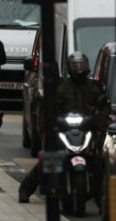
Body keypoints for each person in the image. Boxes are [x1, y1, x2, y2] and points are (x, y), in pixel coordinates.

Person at [18, 51, 104, 203]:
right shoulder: (62, 87)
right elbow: (49, 107)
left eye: (82, 65)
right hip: (65, 129)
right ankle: (25, 189)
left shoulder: (93, 87)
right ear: (69, 68)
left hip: (86, 129)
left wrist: (97, 119)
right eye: (75, 66)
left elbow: (102, 105)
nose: (79, 69)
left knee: (98, 162)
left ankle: (101, 197)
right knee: (51, 159)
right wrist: (53, 122)